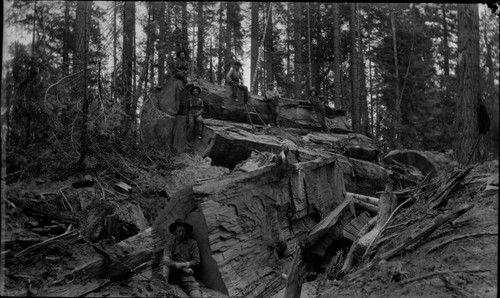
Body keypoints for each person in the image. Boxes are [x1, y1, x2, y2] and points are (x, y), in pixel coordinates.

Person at [160, 219, 201, 297]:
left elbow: (196, 261)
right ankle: (163, 283)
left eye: (183, 231)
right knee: (165, 260)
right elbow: (166, 259)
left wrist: (182, 264)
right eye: (179, 231)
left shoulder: (193, 243)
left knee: (197, 296)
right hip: (172, 273)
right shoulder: (169, 244)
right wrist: (182, 267)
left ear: (187, 232)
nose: (181, 233)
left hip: (186, 275)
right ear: (174, 232)